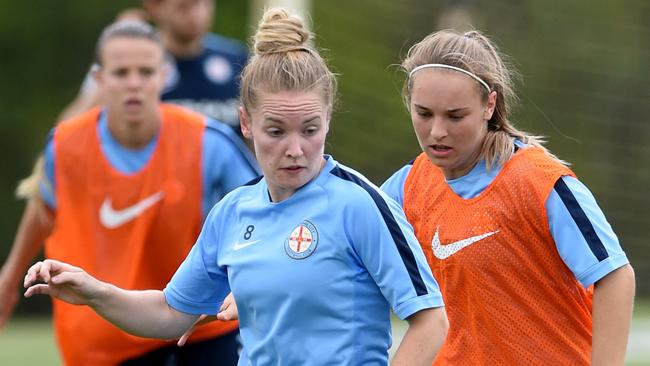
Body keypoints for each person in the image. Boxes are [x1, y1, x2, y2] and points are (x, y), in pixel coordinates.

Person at [23, 8, 449, 365]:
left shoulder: (359, 204)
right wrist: (95, 292)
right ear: (246, 123)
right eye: (276, 131)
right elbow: (171, 313)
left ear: (328, 121)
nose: (295, 149)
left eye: (310, 129)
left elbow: (431, 321)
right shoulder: (232, 211)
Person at [1, 20, 259, 365]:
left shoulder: (207, 142)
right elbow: (43, 208)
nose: (134, 83)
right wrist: (9, 276)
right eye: (121, 72)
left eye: (145, 71)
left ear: (163, 75)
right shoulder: (65, 146)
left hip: (197, 325)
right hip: (107, 334)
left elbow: (265, 212)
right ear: (99, 79)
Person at [380, 29, 635, 365]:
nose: (437, 131)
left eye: (455, 116)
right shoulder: (405, 186)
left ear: (490, 104)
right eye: (424, 113)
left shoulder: (539, 181)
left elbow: (615, 276)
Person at [59, 0, 247, 130]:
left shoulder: (236, 58)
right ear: (154, 7)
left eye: (203, 3)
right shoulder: (128, 64)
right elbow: (67, 129)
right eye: (183, 7)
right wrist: (116, 54)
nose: (197, 15)